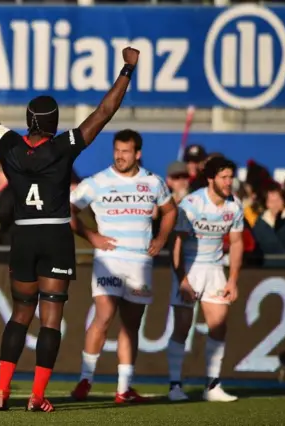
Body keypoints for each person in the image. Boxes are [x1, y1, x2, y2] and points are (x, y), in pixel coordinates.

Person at [0, 45, 140, 412]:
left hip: (23, 235)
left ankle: (1, 390)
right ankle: (37, 395)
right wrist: (126, 70)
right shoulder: (64, 146)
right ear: (55, 122)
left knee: (20, 313)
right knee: (50, 320)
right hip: (56, 235)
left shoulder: (9, 145)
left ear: (28, 120)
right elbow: (105, 112)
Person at [69, 130, 177, 403]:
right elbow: (67, 210)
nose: (120, 156)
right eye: (117, 150)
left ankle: (123, 388)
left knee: (130, 325)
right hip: (110, 260)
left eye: (126, 151)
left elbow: (170, 210)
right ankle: (85, 379)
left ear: (137, 153)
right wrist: (92, 237)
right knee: (104, 315)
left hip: (140, 262)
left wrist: (161, 238)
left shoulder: (153, 182)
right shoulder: (98, 181)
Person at [166, 156, 243, 402]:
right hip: (190, 268)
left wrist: (232, 280)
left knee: (219, 326)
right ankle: (175, 386)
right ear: (211, 179)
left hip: (215, 268)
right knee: (182, 326)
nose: (229, 182)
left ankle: (212, 386)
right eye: (224, 177)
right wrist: (182, 279)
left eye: (231, 177)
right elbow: (176, 243)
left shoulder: (234, 206)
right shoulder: (192, 203)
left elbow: (238, 242)